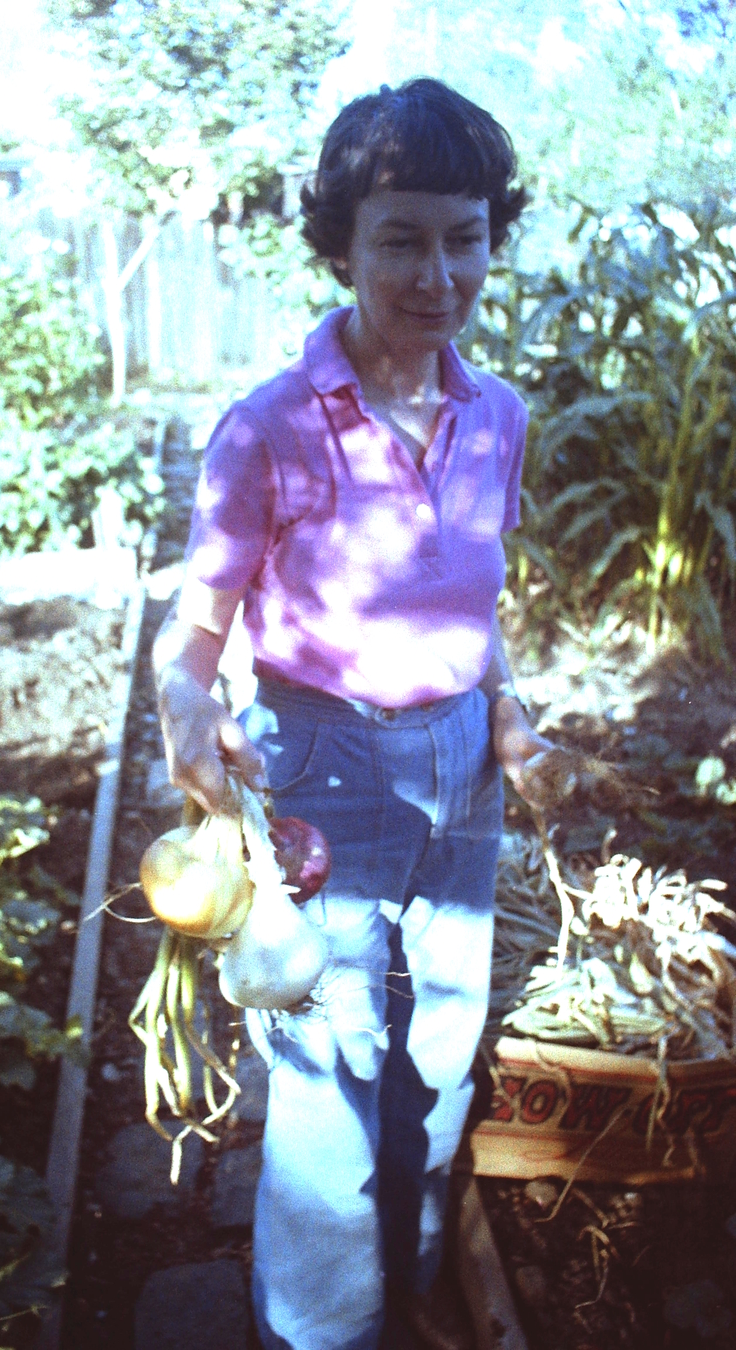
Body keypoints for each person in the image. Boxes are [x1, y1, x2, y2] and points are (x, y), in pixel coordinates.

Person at [153, 78, 551, 1350]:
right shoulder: (269, 428)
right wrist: (183, 710)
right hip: (322, 757)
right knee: (331, 1065)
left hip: (461, 769)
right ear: (341, 246)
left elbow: (476, 601)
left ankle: (410, 1274)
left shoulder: (498, 417)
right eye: (400, 240)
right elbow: (193, 633)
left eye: (464, 237)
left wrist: (509, 714)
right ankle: (320, 1328)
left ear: (490, 237)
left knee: (442, 1040)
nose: (438, 275)